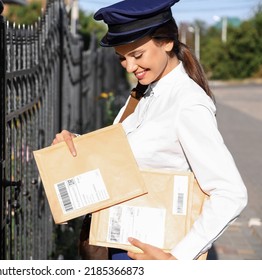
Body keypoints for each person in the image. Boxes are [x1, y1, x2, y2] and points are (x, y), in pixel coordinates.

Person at [52, 0, 247, 260]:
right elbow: (128, 154)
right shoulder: (144, 92)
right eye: (122, 58)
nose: (130, 67)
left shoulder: (188, 102)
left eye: (137, 55)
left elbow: (230, 193)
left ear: (167, 42)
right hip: (121, 245)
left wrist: (177, 259)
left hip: (153, 253)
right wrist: (76, 145)